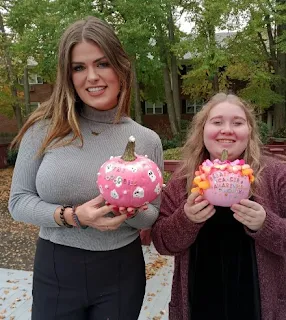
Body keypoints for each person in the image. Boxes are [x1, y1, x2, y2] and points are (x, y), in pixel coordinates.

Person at [8, 16, 163, 320]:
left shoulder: (147, 140)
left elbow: (151, 215)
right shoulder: (45, 130)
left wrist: (129, 212)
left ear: (122, 67)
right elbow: (19, 202)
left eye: (102, 64)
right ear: (68, 76)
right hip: (57, 268)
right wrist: (73, 217)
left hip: (121, 270)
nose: (91, 76)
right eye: (79, 67)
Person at [152, 93, 286, 320]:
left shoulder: (276, 175)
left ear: (249, 131)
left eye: (237, 123)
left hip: (257, 307)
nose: (227, 130)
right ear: (202, 130)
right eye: (217, 122)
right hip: (199, 304)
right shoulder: (184, 179)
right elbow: (162, 243)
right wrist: (185, 219)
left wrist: (266, 224)